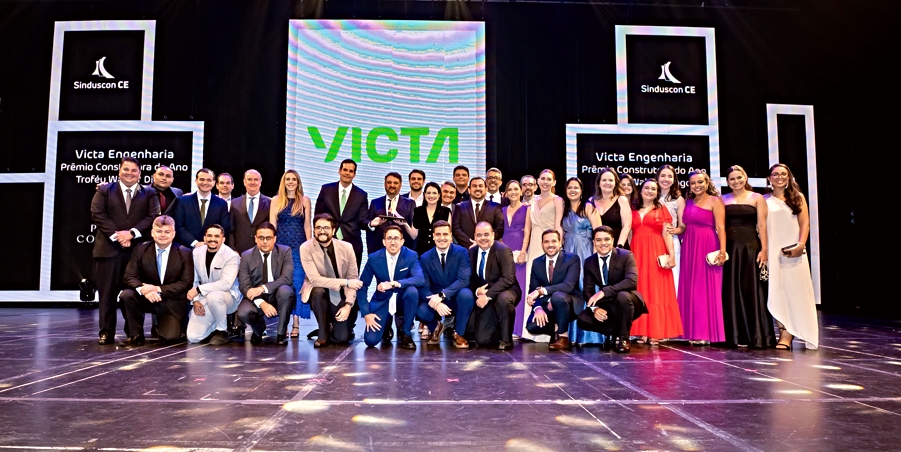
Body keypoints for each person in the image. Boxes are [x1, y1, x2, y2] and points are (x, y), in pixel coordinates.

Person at [91, 157, 158, 344]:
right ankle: (106, 332)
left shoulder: (149, 192)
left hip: (136, 252)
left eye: (134, 170)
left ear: (140, 173)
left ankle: (133, 333)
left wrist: (132, 234)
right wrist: (118, 236)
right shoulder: (104, 190)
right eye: (126, 169)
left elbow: (153, 216)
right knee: (107, 294)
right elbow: (97, 214)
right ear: (119, 171)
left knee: (133, 293)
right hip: (108, 251)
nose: (130, 173)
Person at [765, 163, 818, 350]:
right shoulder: (764, 200)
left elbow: (805, 224)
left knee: (795, 293)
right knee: (776, 293)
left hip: (793, 252)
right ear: (769, 178)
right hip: (772, 253)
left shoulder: (797, 197)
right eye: (775, 174)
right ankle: (784, 332)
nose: (779, 177)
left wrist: (800, 245)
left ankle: (792, 333)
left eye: (783, 174)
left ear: (789, 177)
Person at [721, 165, 775, 349]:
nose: (736, 181)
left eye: (739, 177)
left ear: (745, 178)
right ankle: (734, 335)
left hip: (751, 247)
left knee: (751, 288)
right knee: (730, 289)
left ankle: (757, 336)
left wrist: (764, 249)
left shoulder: (757, 198)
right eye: (732, 179)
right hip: (730, 248)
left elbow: (762, 225)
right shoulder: (722, 199)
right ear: (727, 182)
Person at [120, 215, 193, 346]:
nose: (162, 235)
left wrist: (157, 289)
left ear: (173, 234)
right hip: (146, 297)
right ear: (152, 233)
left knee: (171, 338)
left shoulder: (185, 252)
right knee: (127, 295)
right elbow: (129, 276)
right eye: (159, 231)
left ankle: (165, 328)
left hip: (171, 300)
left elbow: (186, 282)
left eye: (167, 232)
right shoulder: (141, 249)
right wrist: (143, 290)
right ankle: (135, 335)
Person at [627, 179, 682, 345]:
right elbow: (630, 233)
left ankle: (655, 331)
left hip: (656, 251)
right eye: (647, 188)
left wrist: (671, 254)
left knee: (656, 291)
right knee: (640, 289)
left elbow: (666, 233)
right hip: (637, 252)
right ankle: (642, 332)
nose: (649, 191)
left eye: (653, 189)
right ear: (640, 190)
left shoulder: (661, 208)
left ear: (657, 193)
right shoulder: (632, 208)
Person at [577, 226, 647, 353]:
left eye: (606, 239)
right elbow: (588, 290)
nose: (603, 243)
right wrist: (595, 309)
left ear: (613, 240)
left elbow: (631, 281)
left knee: (622, 296)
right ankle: (614, 333)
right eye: (598, 240)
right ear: (593, 242)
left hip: (628, 300)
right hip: (608, 304)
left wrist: (604, 291)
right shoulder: (589, 262)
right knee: (583, 319)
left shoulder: (626, 255)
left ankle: (623, 339)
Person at [678, 171, 727, 345]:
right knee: (690, 287)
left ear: (707, 183)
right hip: (689, 247)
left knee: (704, 288)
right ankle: (689, 331)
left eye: (700, 182)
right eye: (693, 183)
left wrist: (722, 251)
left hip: (707, 245)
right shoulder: (688, 202)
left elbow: (721, 228)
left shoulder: (715, 201)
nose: (696, 186)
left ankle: (704, 333)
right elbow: (684, 227)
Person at [300, 214, 362, 347]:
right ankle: (322, 334)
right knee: (317, 291)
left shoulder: (347, 247)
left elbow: (353, 278)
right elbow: (315, 280)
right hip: (319, 291)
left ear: (333, 231)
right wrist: (345, 282)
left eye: (326, 228)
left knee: (342, 338)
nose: (322, 231)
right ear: (314, 230)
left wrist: (348, 305)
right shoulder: (306, 247)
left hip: (340, 293)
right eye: (318, 228)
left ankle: (331, 328)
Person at [359, 225, 425, 349]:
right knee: (371, 341)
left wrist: (394, 283)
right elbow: (362, 286)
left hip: (402, 298)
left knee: (412, 291)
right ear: (384, 242)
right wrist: (366, 313)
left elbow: (420, 279)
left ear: (402, 241)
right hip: (382, 300)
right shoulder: (374, 258)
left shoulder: (411, 255)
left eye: (396, 238)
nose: (393, 242)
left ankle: (406, 333)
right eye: (389, 238)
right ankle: (386, 324)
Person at [416, 221, 474, 348]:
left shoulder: (461, 252)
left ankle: (459, 334)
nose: (442, 238)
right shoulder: (425, 258)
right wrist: (436, 303)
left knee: (466, 294)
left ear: (450, 235)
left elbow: (464, 280)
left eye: (445, 234)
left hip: (455, 297)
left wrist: (442, 295)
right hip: (435, 300)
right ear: (433, 236)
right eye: (438, 234)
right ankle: (436, 327)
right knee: (420, 310)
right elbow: (424, 287)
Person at [236, 222, 295, 345]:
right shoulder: (246, 256)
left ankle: (281, 334)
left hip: (278, 294)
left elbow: (287, 278)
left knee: (286, 290)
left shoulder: (285, 251)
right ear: (255, 239)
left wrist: (262, 288)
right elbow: (244, 286)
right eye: (261, 238)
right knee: (243, 312)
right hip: (255, 297)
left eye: (268, 238)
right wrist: (262, 303)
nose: (264, 241)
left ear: (274, 239)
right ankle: (259, 329)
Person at [560, 177, 604, 345]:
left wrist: (595, 258)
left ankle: (590, 335)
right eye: (569, 187)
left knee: (586, 286)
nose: (573, 190)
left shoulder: (588, 207)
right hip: (569, 252)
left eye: (576, 188)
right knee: (571, 289)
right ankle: (572, 335)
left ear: (581, 190)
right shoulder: (564, 209)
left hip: (585, 251)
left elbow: (599, 233)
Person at [269, 169, 312, 338]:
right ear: (284, 182)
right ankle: (283, 323)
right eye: (288, 179)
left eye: (294, 179)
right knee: (283, 285)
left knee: (298, 284)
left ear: (298, 182)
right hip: (281, 248)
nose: (291, 182)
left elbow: (307, 225)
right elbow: (272, 224)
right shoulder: (276, 200)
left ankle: (296, 323)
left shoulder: (305, 200)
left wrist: (310, 247)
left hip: (299, 248)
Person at [523, 169, 564, 341]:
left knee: (551, 281)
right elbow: (527, 229)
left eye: (549, 179)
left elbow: (558, 225)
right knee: (533, 283)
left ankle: (552, 329)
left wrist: (558, 245)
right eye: (542, 179)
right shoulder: (532, 201)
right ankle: (531, 329)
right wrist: (524, 250)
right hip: (534, 245)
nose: (545, 182)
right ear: (538, 181)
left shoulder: (557, 200)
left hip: (550, 244)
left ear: (554, 182)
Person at [525, 229, 582, 350]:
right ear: (542, 244)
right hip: (548, 304)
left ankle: (563, 336)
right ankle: (556, 329)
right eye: (546, 242)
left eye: (554, 241)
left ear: (560, 243)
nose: (550, 245)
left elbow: (568, 286)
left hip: (568, 303)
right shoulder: (537, 262)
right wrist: (538, 308)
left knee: (557, 297)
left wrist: (541, 291)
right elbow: (532, 289)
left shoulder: (572, 259)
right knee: (532, 326)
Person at [185, 224, 241, 345]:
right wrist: (195, 300)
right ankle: (215, 323)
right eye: (209, 236)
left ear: (223, 239)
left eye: (216, 236)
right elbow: (194, 280)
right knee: (193, 337)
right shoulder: (196, 253)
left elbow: (226, 284)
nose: (212, 239)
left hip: (228, 297)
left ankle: (222, 330)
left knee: (214, 297)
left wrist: (199, 290)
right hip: (204, 296)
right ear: (204, 238)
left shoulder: (232, 256)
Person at [469, 222, 521, 349]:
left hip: (506, 290)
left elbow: (508, 278)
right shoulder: (471, 252)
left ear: (493, 235)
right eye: (479, 235)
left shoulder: (503, 250)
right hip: (485, 295)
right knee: (482, 340)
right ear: (475, 236)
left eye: (486, 234)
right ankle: (499, 325)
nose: (483, 238)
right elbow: (469, 279)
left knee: (503, 300)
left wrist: (488, 295)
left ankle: (506, 340)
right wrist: (477, 291)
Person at [314, 159, 370, 266]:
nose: (347, 173)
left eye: (351, 171)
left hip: (352, 244)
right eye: (345, 170)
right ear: (339, 171)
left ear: (354, 174)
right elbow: (318, 216)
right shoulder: (326, 189)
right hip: (327, 241)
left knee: (351, 276)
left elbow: (362, 221)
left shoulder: (361, 195)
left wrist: (371, 224)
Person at [499, 180, 531, 341]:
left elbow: (528, 232)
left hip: (520, 253)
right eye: (509, 189)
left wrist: (523, 252)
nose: (513, 192)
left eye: (516, 189)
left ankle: (518, 329)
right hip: (505, 252)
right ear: (505, 193)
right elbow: (499, 231)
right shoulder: (502, 210)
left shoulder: (527, 209)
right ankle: (505, 328)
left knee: (520, 289)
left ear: (521, 191)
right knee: (506, 289)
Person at [172, 168, 231, 248]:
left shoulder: (222, 204)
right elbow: (179, 227)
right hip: (186, 249)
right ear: (196, 181)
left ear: (214, 182)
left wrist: (209, 242)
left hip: (212, 249)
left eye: (209, 180)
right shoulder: (183, 201)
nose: (205, 183)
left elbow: (224, 228)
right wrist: (195, 243)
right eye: (202, 179)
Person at [367, 172, 416, 253]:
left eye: (395, 183)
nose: (392, 185)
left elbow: (412, 228)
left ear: (401, 185)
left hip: (403, 250)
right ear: (384, 184)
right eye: (389, 182)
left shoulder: (410, 203)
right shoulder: (375, 202)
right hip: (379, 250)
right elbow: (368, 227)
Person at [657, 165, 686, 290]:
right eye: (663, 175)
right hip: (653, 241)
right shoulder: (650, 195)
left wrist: (675, 230)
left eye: (670, 176)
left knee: (672, 277)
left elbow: (682, 226)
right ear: (657, 177)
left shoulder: (678, 199)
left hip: (672, 241)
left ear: (674, 180)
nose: (666, 179)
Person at [452, 176, 505, 246]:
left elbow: (499, 228)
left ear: (486, 189)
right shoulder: (460, 207)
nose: (477, 188)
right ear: (469, 190)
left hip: (489, 248)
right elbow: (456, 229)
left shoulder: (496, 207)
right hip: (466, 249)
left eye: (480, 186)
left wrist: (484, 242)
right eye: (474, 186)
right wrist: (470, 243)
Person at [229, 169, 271, 254]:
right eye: (249, 179)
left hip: (262, 249)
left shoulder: (270, 203)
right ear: (244, 182)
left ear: (260, 182)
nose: (252, 182)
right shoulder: (234, 203)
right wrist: (232, 250)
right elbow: (231, 230)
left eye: (256, 179)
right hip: (239, 250)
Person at [590, 167, 631, 249]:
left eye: (611, 180)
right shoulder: (591, 201)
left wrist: (619, 247)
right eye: (604, 180)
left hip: (618, 248)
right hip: (598, 248)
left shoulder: (622, 200)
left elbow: (626, 226)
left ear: (615, 183)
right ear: (599, 183)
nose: (607, 183)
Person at [411, 182, 452, 255]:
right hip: (421, 251)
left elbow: (449, 235)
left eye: (434, 193)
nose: (431, 196)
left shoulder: (446, 211)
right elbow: (414, 235)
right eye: (428, 193)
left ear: (439, 195)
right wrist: (405, 224)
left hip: (439, 250)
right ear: (424, 195)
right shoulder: (418, 211)